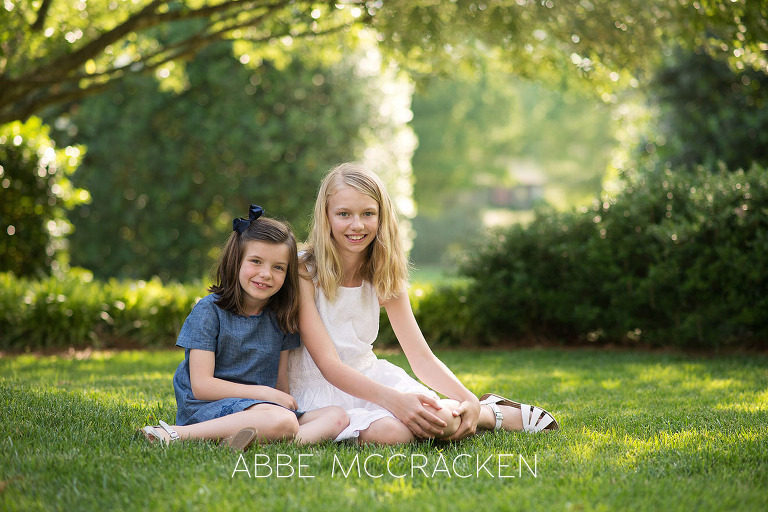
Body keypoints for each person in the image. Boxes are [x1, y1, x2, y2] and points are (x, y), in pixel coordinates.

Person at [288, 163, 559, 445]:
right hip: (319, 387)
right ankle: (484, 415)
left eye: (368, 213)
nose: (357, 225)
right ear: (326, 216)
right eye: (343, 214)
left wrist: (467, 398)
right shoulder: (303, 271)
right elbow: (329, 365)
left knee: (442, 421)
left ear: (381, 217)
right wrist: (396, 402)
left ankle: (488, 412)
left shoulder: (383, 271)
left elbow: (421, 358)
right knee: (394, 434)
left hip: (372, 378)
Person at [141, 205, 348, 450]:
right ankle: (176, 433)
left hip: (261, 409)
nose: (266, 274)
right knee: (282, 420)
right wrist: (266, 396)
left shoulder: (281, 317)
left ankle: (249, 443)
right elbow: (202, 386)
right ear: (236, 261)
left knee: (337, 416)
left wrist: (275, 399)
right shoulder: (210, 311)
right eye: (256, 261)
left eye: (278, 267)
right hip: (209, 407)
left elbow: (280, 385)